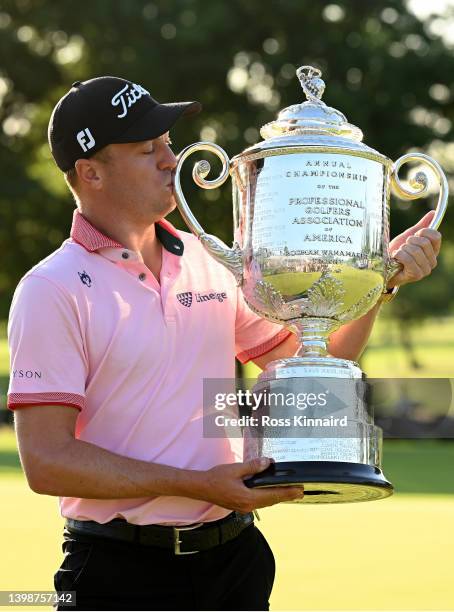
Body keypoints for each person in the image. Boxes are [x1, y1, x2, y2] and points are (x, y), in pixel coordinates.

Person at [7, 76, 441, 611]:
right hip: (118, 572)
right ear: (91, 172)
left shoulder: (208, 260)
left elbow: (304, 372)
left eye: (167, 144)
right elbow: (47, 461)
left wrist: (380, 281)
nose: (171, 160)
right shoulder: (52, 288)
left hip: (234, 562)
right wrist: (200, 485)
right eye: (148, 150)